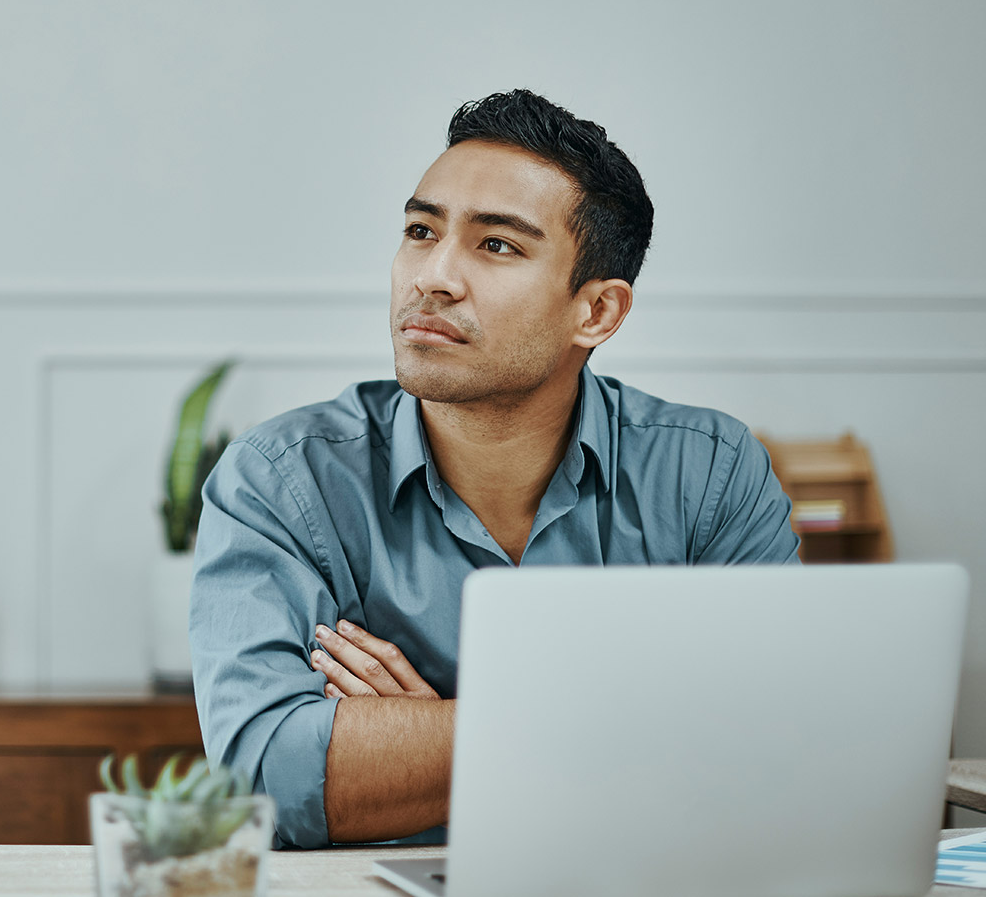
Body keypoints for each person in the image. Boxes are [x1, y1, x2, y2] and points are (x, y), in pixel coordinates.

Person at [188, 89, 800, 849]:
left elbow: (769, 764)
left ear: (598, 312)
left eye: (497, 246)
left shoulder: (709, 473)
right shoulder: (282, 480)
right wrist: (628, 729)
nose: (433, 276)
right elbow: (266, 781)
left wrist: (434, 728)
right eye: (420, 231)